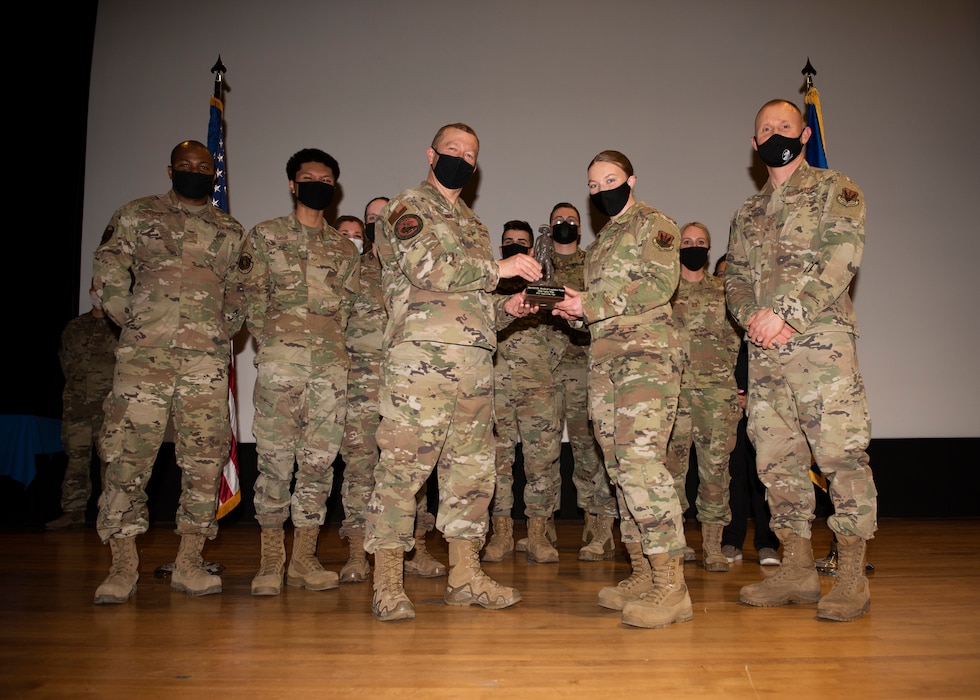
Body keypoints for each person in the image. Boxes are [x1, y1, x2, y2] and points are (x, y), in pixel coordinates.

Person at [365, 123, 541, 621]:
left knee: (471, 475)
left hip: (473, 364)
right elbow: (431, 271)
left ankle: (464, 576)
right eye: (452, 150)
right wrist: (500, 270)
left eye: (470, 154)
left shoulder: (474, 225)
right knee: (402, 473)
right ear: (431, 154)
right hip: (420, 364)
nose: (461, 159)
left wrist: (512, 308)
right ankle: (387, 584)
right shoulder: (408, 206)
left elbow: (477, 301)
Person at [726, 99, 877, 622]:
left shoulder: (837, 189)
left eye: (783, 126)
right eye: (764, 129)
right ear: (753, 144)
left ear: (805, 133)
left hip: (821, 344)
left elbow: (843, 256)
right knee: (775, 460)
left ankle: (852, 574)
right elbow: (737, 279)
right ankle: (796, 568)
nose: (774, 134)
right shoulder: (747, 212)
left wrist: (786, 314)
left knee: (840, 456)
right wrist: (752, 318)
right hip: (765, 352)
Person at [92, 140, 246, 604]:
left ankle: (190, 563)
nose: (195, 172)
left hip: (205, 361)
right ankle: (122, 567)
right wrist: (132, 319)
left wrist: (222, 330)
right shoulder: (137, 214)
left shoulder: (229, 229)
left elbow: (240, 292)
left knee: (203, 460)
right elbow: (108, 265)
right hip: (144, 358)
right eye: (186, 166)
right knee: (126, 458)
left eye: (203, 166)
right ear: (170, 170)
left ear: (213, 173)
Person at [553, 150, 691, 630]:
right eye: (592, 186)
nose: (600, 191)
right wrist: (577, 312)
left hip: (646, 360)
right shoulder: (604, 241)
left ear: (630, 179)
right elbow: (603, 311)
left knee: (640, 464)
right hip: (606, 363)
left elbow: (658, 285)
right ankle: (641, 572)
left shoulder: (655, 224)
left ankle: (672, 585)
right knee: (618, 467)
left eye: (608, 180)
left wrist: (589, 302)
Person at [237, 148, 360, 597]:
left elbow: (346, 308)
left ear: (335, 187)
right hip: (281, 369)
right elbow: (251, 298)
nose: (317, 184)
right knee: (273, 460)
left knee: (318, 464)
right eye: (309, 177)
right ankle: (271, 561)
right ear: (293, 184)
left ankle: (304, 558)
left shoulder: (344, 248)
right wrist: (273, 342)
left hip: (330, 369)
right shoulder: (265, 236)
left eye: (326, 179)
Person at [336, 205, 446, 582]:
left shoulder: (418, 270)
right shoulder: (352, 270)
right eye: (372, 216)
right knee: (359, 468)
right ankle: (356, 554)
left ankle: (417, 547)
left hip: (410, 386)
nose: (377, 221)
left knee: (414, 472)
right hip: (361, 386)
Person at [484, 220, 563, 564]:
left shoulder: (546, 286)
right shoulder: (488, 287)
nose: (515, 246)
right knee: (498, 464)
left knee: (541, 465)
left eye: (522, 242)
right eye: (509, 242)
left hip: (539, 389)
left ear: (532, 250)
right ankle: (501, 534)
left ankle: (536, 535)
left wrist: (546, 369)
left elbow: (563, 335)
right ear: (501, 250)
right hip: (498, 387)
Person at [664, 223, 742, 572]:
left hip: (716, 396)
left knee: (716, 471)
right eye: (687, 242)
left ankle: (712, 545)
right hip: (673, 397)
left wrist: (731, 384)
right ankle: (676, 543)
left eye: (700, 243)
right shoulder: (664, 291)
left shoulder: (723, 290)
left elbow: (735, 342)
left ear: (709, 250)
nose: (693, 247)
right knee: (671, 472)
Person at [547, 202, 617, 561]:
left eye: (571, 220)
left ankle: (599, 526)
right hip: (541, 370)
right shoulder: (537, 265)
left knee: (588, 449)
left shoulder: (593, 263)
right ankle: (541, 528)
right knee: (540, 454)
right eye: (558, 220)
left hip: (582, 365)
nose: (565, 225)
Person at [715, 255, 781, 567]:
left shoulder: (758, 316)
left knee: (762, 474)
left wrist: (752, 396)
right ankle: (732, 540)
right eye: (723, 275)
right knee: (733, 475)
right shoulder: (711, 313)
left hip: (763, 404)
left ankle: (767, 543)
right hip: (725, 407)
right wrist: (732, 395)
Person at [45, 282, 119, 530]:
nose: (96, 292)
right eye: (94, 287)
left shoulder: (119, 327)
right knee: (76, 458)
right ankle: (73, 510)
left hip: (109, 407)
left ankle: (109, 514)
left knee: (109, 462)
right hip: (76, 405)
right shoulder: (75, 327)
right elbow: (66, 362)